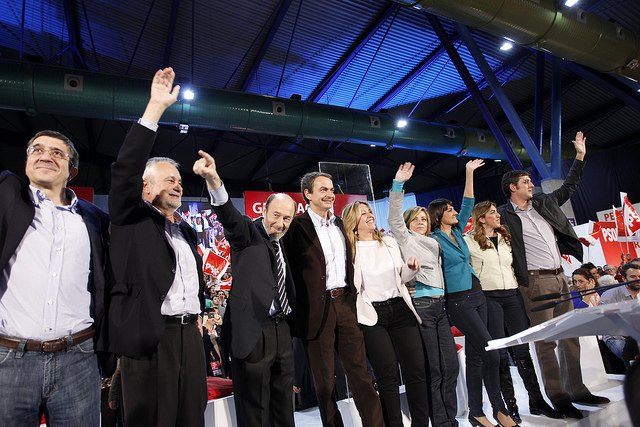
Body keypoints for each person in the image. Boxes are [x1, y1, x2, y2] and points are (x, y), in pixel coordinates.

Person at [107, 67, 207, 427]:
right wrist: (155, 110)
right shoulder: (130, 217)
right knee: (151, 420)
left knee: (191, 416)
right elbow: (125, 171)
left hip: (189, 336)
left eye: (180, 181)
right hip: (151, 337)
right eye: (169, 180)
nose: (178, 186)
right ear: (146, 188)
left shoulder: (187, 233)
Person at [0, 130, 110, 426]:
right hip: (10, 359)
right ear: (26, 162)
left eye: (57, 152)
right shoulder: (8, 199)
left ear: (72, 170)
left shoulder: (94, 219)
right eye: (36, 149)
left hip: (79, 358)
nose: (45, 155)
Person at [497, 131, 609, 419]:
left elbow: (571, 185)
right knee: (547, 341)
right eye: (526, 182)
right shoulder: (503, 216)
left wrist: (581, 156)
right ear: (512, 188)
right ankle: (558, 397)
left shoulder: (544, 203)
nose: (531, 184)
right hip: (535, 282)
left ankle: (578, 390)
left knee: (569, 334)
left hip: (561, 276)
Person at [193, 149, 297, 427]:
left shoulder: (283, 242)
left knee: (284, 405)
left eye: (287, 219)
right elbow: (228, 214)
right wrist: (214, 180)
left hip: (281, 331)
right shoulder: (248, 234)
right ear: (263, 209)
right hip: (252, 333)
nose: (281, 223)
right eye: (276, 215)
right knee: (254, 409)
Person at [282, 172, 384, 427]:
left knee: (361, 375)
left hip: (346, 305)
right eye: (323, 190)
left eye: (331, 189)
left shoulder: (340, 224)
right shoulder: (296, 227)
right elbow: (290, 272)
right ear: (308, 194)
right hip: (316, 312)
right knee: (325, 383)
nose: (330, 194)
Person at [428, 159, 517, 427]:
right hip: (458, 302)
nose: (455, 211)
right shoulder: (433, 240)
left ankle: (479, 413)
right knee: (492, 353)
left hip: (478, 295)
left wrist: (468, 173)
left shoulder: (457, 232)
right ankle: (498, 410)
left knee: (478, 356)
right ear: (438, 215)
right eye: (449, 210)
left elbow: (469, 201)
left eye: (454, 209)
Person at [464, 201, 561, 422]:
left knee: (522, 350)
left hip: (512, 296)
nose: (497, 215)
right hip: (489, 298)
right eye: (492, 213)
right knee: (499, 353)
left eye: (496, 212)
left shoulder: (506, 237)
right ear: (481, 218)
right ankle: (510, 407)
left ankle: (537, 401)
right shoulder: (469, 241)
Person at [341, 200, 429, 427]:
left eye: (370, 211)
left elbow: (403, 277)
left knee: (416, 370)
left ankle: (421, 422)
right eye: (363, 213)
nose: (370, 215)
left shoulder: (389, 242)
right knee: (387, 376)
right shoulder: (350, 251)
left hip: (400, 309)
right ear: (353, 222)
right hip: (373, 316)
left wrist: (410, 269)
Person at [388, 162, 459, 427]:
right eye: (416, 218)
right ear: (407, 224)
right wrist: (398, 185)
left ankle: (448, 419)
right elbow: (394, 217)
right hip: (423, 304)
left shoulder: (434, 241)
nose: (421, 221)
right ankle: (440, 422)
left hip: (441, 306)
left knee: (450, 367)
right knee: (436, 369)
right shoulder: (406, 238)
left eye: (424, 218)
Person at [599, 262, 640, 367]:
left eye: (639, 276)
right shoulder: (610, 295)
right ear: (624, 278)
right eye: (633, 276)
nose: (637, 279)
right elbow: (607, 322)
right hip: (616, 336)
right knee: (632, 354)